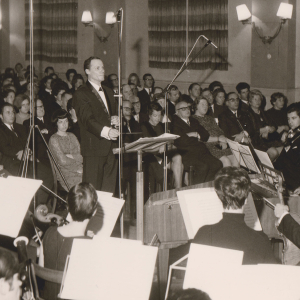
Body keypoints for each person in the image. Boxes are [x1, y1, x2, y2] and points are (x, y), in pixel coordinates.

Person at [42, 182, 103, 300]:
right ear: (95, 211)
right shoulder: (91, 247)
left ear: (68, 207)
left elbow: (42, 271)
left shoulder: (49, 233)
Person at [73, 57, 119, 193]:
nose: (102, 70)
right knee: (92, 192)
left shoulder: (109, 91)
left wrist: (115, 120)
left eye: (103, 67)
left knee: (108, 191)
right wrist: (107, 131)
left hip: (111, 148)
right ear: (87, 71)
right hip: (94, 148)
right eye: (97, 68)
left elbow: (109, 115)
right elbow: (87, 120)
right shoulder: (81, 93)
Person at [0, 103, 53, 205]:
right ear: (1, 116)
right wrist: (18, 153)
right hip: (11, 162)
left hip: (26, 159)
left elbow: (28, 143)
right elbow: (4, 147)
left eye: (13, 112)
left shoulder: (20, 127)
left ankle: (38, 205)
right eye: (8, 112)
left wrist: (30, 152)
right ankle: (28, 206)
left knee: (48, 174)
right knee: (29, 178)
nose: (12, 115)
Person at [172, 101, 223, 184]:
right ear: (177, 112)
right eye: (183, 109)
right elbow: (180, 141)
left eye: (188, 108)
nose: (187, 110)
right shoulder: (174, 122)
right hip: (187, 153)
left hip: (201, 151)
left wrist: (195, 135)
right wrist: (193, 135)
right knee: (203, 167)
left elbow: (205, 134)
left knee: (217, 164)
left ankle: (205, 186)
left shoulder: (193, 120)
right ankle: (195, 188)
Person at [141, 102, 183, 190]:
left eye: (159, 116)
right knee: (180, 166)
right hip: (153, 156)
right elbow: (148, 146)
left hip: (164, 154)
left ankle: (177, 188)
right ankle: (177, 188)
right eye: (155, 116)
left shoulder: (160, 126)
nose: (158, 118)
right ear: (149, 115)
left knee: (178, 157)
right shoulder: (144, 126)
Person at [192, 97, 238, 167]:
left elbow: (220, 131)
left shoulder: (210, 118)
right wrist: (218, 139)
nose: (205, 107)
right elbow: (201, 137)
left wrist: (222, 141)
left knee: (235, 159)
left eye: (207, 105)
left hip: (218, 145)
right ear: (196, 106)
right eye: (203, 104)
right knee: (226, 161)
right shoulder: (193, 119)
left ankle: (235, 178)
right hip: (207, 146)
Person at [49, 109, 83, 191]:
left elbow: (81, 156)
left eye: (66, 121)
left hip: (80, 168)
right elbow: (62, 161)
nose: (64, 125)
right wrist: (77, 169)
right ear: (56, 123)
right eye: (61, 122)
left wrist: (71, 156)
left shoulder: (72, 136)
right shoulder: (54, 139)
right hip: (64, 172)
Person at [247, 89, 283, 161]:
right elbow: (250, 131)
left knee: (284, 150)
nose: (258, 101)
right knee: (274, 152)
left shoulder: (264, 113)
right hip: (256, 141)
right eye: (255, 99)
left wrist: (270, 129)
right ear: (250, 101)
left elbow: (274, 126)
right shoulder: (247, 114)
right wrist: (265, 129)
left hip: (268, 139)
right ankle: (263, 167)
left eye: (259, 99)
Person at [274, 103, 300, 191]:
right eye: (288, 118)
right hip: (288, 177)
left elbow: (294, 159)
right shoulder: (293, 134)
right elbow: (283, 158)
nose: (290, 122)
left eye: (294, 118)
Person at [23, 99, 54, 167]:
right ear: (31, 110)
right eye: (37, 108)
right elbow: (35, 140)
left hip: (55, 150)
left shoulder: (51, 119)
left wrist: (48, 132)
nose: (41, 109)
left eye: (41, 106)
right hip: (42, 155)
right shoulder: (28, 123)